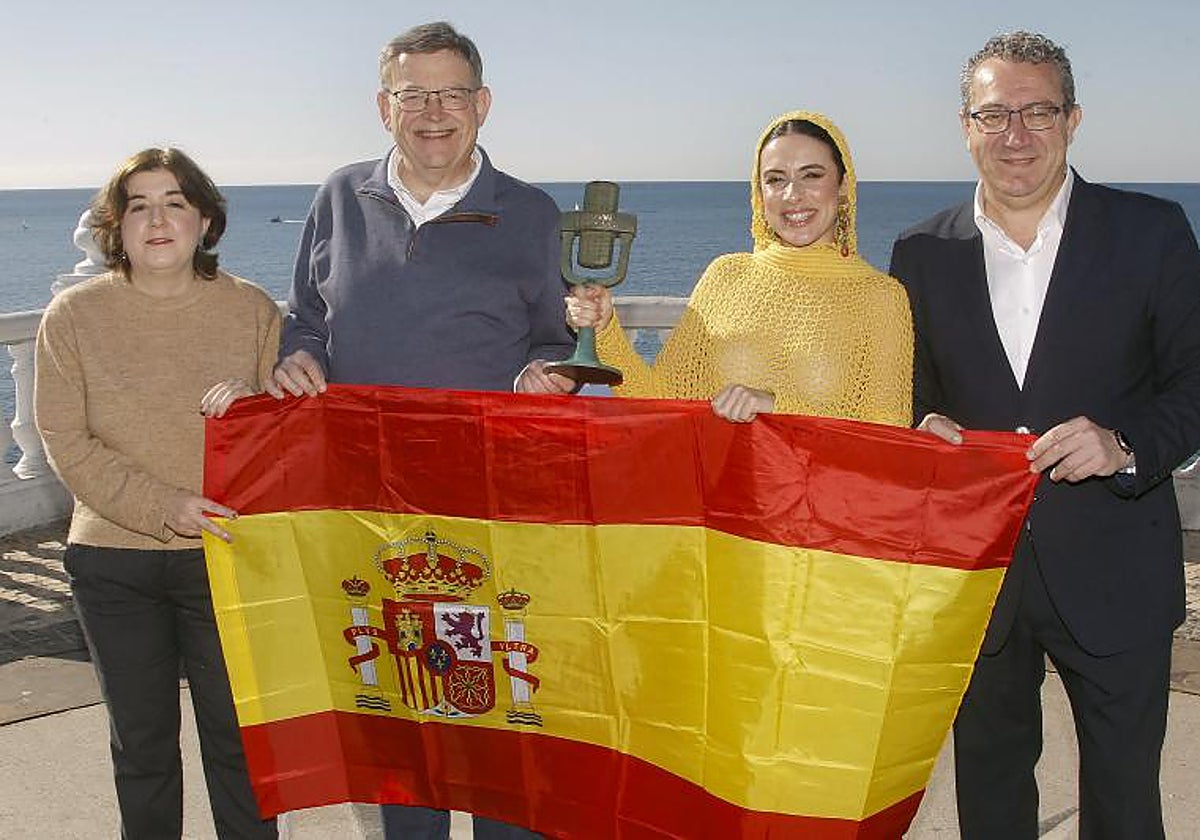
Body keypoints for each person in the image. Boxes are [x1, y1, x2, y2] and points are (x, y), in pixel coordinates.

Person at [266, 20, 574, 840]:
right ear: (383, 105)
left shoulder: (533, 213)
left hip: (494, 510)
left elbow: (553, 337)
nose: (433, 111)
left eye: (450, 94)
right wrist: (300, 357)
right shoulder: (338, 196)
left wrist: (540, 372)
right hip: (372, 514)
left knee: (503, 720)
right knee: (404, 720)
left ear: (482, 104)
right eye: (413, 94)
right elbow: (305, 318)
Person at [889, 31, 1200, 839]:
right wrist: (922, 429)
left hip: (1116, 569)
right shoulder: (920, 252)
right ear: (965, 126)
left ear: (1073, 119)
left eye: (1037, 111)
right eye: (995, 114)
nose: (1016, 135)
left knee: (1125, 806)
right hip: (979, 578)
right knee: (990, 800)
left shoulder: (1153, 231)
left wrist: (1125, 443)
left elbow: (1195, 383)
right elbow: (908, 398)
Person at [34, 148, 280, 838]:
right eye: (138, 205)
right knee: (142, 751)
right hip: (114, 564)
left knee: (242, 748)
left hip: (229, 557)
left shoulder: (251, 309)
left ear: (205, 219)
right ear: (117, 226)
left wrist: (261, 403)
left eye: (174, 201)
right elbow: (66, 442)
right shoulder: (73, 316)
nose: (157, 218)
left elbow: (287, 442)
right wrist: (164, 507)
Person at [568, 110, 912, 426]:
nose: (792, 194)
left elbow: (888, 435)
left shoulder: (881, 298)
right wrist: (604, 330)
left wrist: (777, 407)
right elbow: (662, 401)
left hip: (821, 493)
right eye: (775, 179)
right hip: (719, 490)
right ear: (759, 194)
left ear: (842, 187)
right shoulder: (725, 276)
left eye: (812, 175)